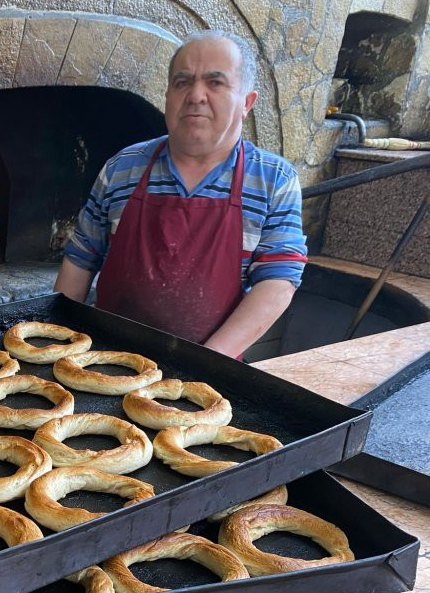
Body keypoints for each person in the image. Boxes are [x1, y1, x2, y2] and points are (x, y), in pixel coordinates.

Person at [54, 30, 307, 358]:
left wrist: (203, 362)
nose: (195, 95)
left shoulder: (274, 181)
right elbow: (79, 261)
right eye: (182, 82)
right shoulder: (122, 169)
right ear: (168, 96)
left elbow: (277, 283)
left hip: (209, 369)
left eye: (215, 82)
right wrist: (56, 345)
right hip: (105, 363)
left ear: (246, 102)